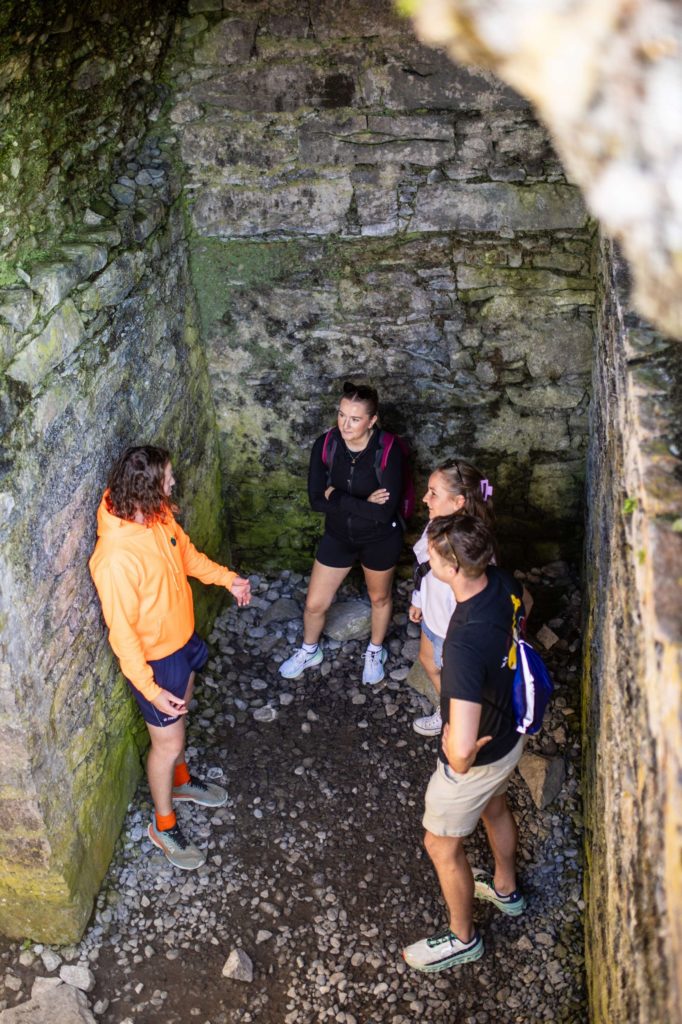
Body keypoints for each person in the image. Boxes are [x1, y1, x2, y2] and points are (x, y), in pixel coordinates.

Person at [89, 445, 251, 871]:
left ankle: (180, 783)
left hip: (183, 641)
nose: (174, 482)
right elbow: (122, 635)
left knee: (180, 724)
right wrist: (151, 688)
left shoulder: (157, 517)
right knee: (169, 742)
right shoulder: (114, 559)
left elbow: (187, 556)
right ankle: (163, 825)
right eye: (168, 478)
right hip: (156, 664)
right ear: (146, 489)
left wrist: (228, 580)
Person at [402, 514, 528, 973]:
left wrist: (458, 758)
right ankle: (506, 889)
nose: (427, 557)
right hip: (512, 733)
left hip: (480, 757)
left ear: (452, 567)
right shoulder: (502, 582)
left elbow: (461, 743)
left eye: (433, 553)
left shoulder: (461, 646)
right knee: (495, 805)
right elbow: (525, 608)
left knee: (439, 844)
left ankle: (462, 938)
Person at [279, 381, 403, 686]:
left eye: (355, 418)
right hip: (339, 536)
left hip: (379, 538)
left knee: (379, 597)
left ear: (372, 420)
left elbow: (383, 512)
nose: (345, 424)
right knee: (314, 604)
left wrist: (337, 497)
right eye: (341, 414)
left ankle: (375, 651)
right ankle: (310, 650)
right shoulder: (326, 444)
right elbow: (316, 500)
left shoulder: (388, 450)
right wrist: (362, 503)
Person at [409, 461, 495, 738]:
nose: (425, 499)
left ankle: (460, 723)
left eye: (433, 493)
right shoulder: (438, 526)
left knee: (460, 682)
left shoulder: (473, 552)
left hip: (454, 633)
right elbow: (423, 569)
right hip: (433, 620)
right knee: (428, 661)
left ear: (458, 502)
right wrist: (419, 600)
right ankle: (446, 708)